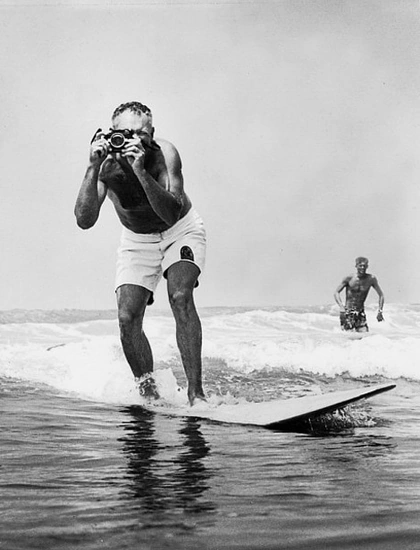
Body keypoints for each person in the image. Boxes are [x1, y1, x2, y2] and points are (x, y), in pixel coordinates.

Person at [74, 101, 206, 405]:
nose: (132, 139)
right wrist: (92, 167)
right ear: (112, 132)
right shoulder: (105, 164)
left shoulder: (164, 154)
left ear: (152, 133)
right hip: (137, 239)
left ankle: (196, 394)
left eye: (140, 134)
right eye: (124, 133)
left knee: (180, 296)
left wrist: (139, 171)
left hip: (180, 229)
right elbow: (84, 221)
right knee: (127, 316)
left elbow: (171, 214)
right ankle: (149, 394)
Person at [334, 256, 384, 332]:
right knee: (349, 336)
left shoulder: (371, 279)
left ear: (367, 266)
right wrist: (341, 306)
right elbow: (336, 292)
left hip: (360, 312)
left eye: (364, 266)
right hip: (348, 312)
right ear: (356, 266)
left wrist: (380, 311)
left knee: (364, 336)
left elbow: (381, 295)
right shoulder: (349, 278)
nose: (362, 268)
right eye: (360, 265)